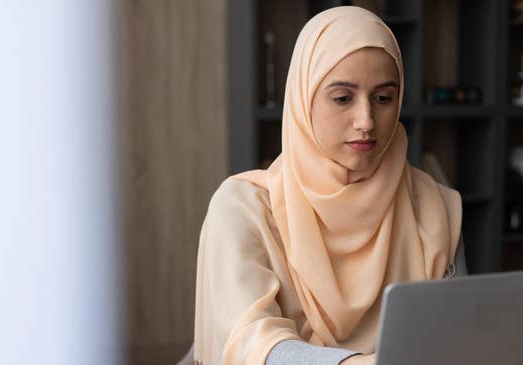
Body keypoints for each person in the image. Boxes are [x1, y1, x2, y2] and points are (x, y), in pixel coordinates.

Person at [192, 6, 464, 365]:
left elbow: (458, 336)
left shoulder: (435, 205)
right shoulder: (244, 207)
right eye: (342, 98)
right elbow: (252, 343)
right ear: (303, 100)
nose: (366, 121)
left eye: (383, 98)